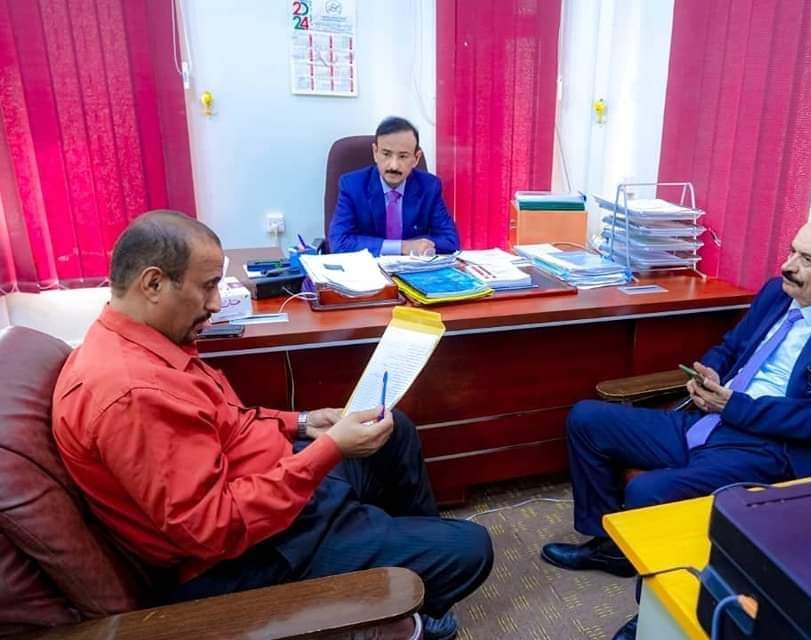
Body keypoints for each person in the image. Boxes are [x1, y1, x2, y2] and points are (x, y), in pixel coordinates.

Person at [52, 211, 490, 640]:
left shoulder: (141, 344)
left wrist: (303, 423)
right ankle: (391, 594)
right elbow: (214, 529)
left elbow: (227, 421)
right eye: (207, 286)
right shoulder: (133, 396)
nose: (215, 304)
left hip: (274, 491)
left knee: (394, 430)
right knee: (471, 550)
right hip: (250, 554)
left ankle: (395, 581)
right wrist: (330, 449)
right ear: (153, 284)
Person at [540, 217, 811, 640]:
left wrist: (737, 407)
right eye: (791, 251)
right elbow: (731, 348)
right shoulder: (777, 293)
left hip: (768, 447)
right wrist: (709, 371)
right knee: (587, 419)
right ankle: (612, 546)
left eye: (806, 259)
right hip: (711, 417)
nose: (788, 266)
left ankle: (656, 612)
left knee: (648, 492)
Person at [328, 116, 460, 256]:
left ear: (416, 158)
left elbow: (450, 241)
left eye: (403, 156)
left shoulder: (430, 187)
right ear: (375, 153)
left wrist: (419, 246)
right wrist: (403, 247)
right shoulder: (352, 186)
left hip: (411, 267)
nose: (394, 166)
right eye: (386, 154)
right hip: (368, 266)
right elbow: (339, 242)